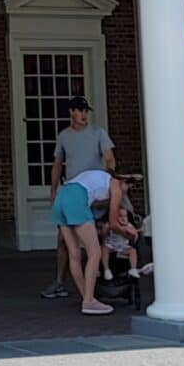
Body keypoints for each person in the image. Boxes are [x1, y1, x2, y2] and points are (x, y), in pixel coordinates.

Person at [41, 97, 115, 299]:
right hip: (72, 194)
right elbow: (57, 164)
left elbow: (109, 158)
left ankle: (98, 283)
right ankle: (59, 282)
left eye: (86, 111)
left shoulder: (98, 133)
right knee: (64, 241)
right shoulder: (64, 136)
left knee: (98, 238)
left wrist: (108, 176)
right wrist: (53, 190)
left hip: (95, 194)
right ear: (71, 112)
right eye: (80, 110)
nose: (84, 115)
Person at [51, 165, 115, 315]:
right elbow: (114, 221)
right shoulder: (115, 183)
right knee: (95, 253)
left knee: (74, 254)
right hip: (76, 198)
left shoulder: (94, 178)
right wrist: (128, 231)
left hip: (62, 196)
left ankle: (87, 297)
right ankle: (89, 301)